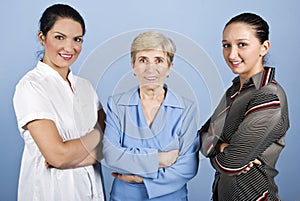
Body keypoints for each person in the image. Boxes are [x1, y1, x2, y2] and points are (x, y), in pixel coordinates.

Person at [13, 4, 105, 201]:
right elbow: (59, 156)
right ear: (42, 37)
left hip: (91, 192)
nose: (69, 48)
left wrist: (70, 155)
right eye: (59, 37)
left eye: (77, 39)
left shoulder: (86, 87)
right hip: (51, 192)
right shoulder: (31, 86)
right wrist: (98, 140)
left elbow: (111, 143)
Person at [199, 12, 290, 201]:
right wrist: (223, 146)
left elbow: (230, 164)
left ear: (264, 47)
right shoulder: (234, 90)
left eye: (242, 44)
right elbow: (201, 136)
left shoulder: (267, 95)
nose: (232, 54)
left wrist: (218, 148)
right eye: (226, 45)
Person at [102, 31, 200, 201]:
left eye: (159, 60)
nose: (150, 68)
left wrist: (139, 178)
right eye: (143, 60)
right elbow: (112, 155)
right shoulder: (117, 105)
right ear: (133, 65)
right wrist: (159, 159)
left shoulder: (186, 109)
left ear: (169, 67)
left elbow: (187, 167)